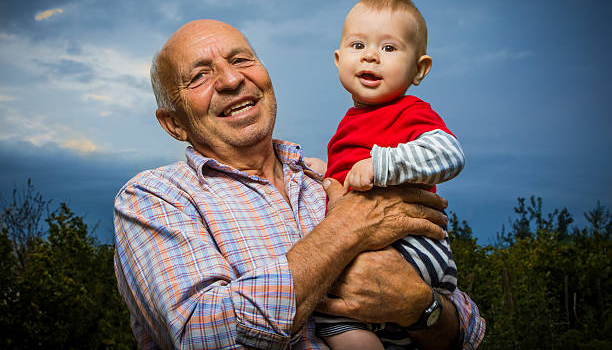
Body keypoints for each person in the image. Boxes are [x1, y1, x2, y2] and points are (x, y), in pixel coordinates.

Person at [113, 18, 485, 349]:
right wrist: (348, 228)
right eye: (199, 76)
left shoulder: (328, 179)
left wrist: (420, 307)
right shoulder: (153, 198)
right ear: (174, 124)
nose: (231, 80)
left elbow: (465, 331)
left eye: (241, 60)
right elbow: (199, 333)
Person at [317, 0, 466, 350]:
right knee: (343, 317)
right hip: (381, 251)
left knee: (326, 307)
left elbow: (450, 154)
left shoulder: (410, 111)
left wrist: (382, 165)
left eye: (388, 48)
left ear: (419, 69)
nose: (370, 55)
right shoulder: (348, 124)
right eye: (357, 46)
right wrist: (321, 173)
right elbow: (349, 176)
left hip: (414, 247)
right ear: (338, 60)